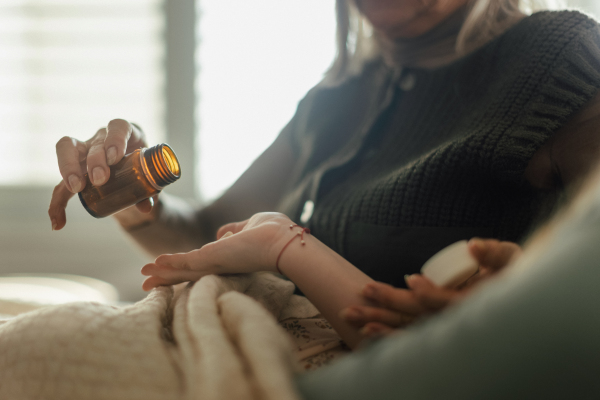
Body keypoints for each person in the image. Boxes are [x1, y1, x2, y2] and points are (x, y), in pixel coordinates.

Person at [48, 0, 600, 341]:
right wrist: (133, 189)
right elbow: (205, 234)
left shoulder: (555, 56)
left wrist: (521, 301)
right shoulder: (334, 99)